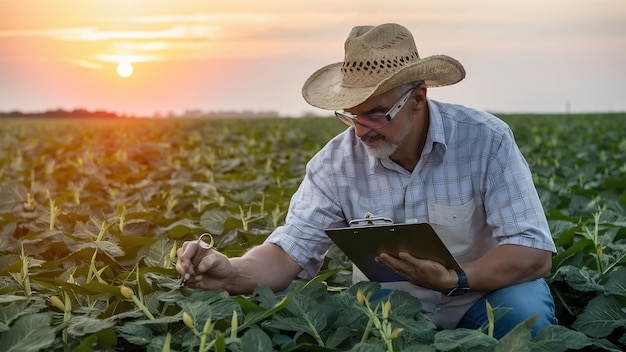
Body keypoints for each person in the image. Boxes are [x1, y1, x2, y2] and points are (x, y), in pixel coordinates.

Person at [176, 23, 557, 339]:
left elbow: (531, 251)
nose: (360, 132)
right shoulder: (334, 165)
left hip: (480, 298)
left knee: (528, 318)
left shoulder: (485, 139)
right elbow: (288, 251)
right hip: (387, 315)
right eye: (351, 116)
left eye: (375, 115)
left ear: (418, 99)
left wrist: (453, 278)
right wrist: (233, 270)